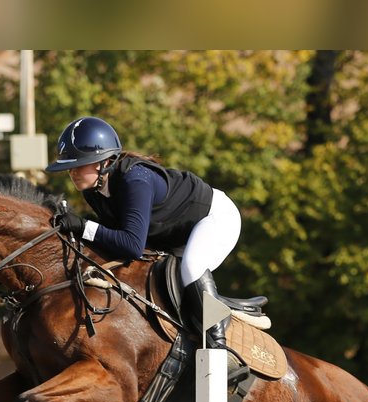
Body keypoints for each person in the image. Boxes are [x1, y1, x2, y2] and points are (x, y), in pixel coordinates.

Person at [45, 116, 266, 342]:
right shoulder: (93, 190)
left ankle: (218, 343)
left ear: (104, 161)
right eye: (69, 167)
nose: (72, 172)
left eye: (78, 165)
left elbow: (131, 245)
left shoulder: (135, 180)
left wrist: (83, 226)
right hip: (174, 233)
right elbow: (113, 236)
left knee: (191, 268)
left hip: (214, 218)